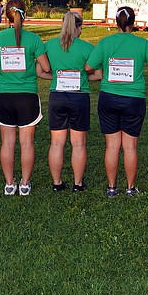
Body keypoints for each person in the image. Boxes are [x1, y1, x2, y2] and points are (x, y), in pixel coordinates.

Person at [85, 6, 148, 197]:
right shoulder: (142, 44)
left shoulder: (105, 43)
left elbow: (88, 66)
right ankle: (130, 188)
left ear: (116, 22)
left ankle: (112, 187)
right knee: (130, 146)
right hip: (134, 99)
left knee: (112, 146)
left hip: (108, 98)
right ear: (133, 23)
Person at [0, 0, 51, 196]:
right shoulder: (33, 39)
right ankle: (24, 183)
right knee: (27, 143)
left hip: (4, 96)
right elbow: (47, 67)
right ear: (24, 15)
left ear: (6, 16)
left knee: (7, 143)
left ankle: (9, 184)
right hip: (28, 96)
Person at [38, 12, 99, 191]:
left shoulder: (49, 45)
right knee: (78, 143)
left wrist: (57, 76)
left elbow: (40, 72)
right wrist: (81, 78)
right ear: (78, 27)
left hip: (57, 96)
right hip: (79, 97)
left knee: (57, 143)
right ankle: (78, 184)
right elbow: (99, 74)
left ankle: (57, 183)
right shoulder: (87, 48)